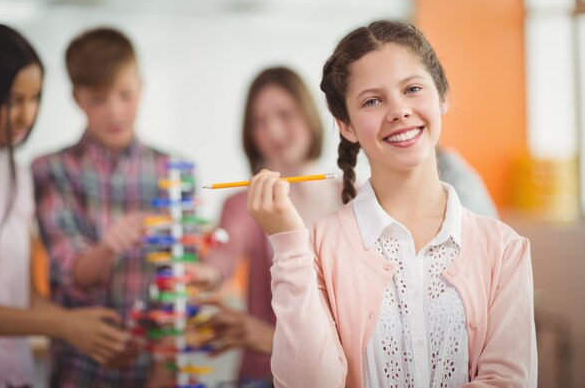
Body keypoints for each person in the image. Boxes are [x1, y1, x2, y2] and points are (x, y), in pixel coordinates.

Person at [246, 20, 537, 387]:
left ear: (442, 95)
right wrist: (288, 244)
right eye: (372, 100)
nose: (399, 111)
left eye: (412, 89)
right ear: (345, 125)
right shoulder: (315, 245)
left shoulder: (503, 248)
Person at [0, 23, 130, 387]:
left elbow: (22, 295)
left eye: (34, 98)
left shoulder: (18, 175)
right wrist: (60, 324)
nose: (26, 115)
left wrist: (91, 330)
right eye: (13, 101)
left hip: (15, 376)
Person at [31, 27, 194, 387]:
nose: (115, 111)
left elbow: (180, 284)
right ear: (77, 98)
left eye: (126, 94)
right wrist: (108, 246)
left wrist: (163, 366)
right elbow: (70, 274)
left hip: (157, 370)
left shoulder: (175, 171)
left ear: (142, 86)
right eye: (99, 99)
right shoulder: (51, 171)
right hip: (79, 369)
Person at [189, 66, 342, 381]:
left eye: (285, 114)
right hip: (263, 375)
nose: (273, 131)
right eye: (259, 122)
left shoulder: (351, 197)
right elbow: (222, 256)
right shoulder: (240, 205)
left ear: (310, 114)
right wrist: (205, 273)